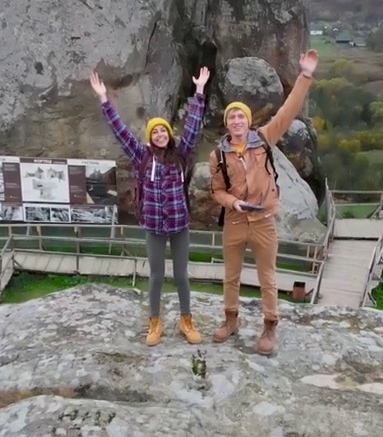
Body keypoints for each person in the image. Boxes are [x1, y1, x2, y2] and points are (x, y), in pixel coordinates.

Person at [208, 49, 319, 356]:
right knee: (230, 276)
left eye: (241, 115)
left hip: (264, 222)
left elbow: (288, 112)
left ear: (248, 120)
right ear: (227, 124)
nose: (237, 120)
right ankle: (230, 320)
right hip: (234, 221)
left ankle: (270, 325)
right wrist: (232, 203)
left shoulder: (264, 138)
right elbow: (216, 191)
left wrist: (305, 75)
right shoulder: (217, 155)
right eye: (232, 116)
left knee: (267, 277)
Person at [91, 66, 210, 346]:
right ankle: (154, 323)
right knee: (156, 277)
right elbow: (120, 133)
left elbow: (193, 127)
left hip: (180, 226)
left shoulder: (181, 155)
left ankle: (186, 320)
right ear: (150, 137)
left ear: (169, 135)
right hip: (154, 227)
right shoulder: (141, 157)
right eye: (155, 132)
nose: (159, 135)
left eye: (163, 131)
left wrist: (200, 92)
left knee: (181, 276)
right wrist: (104, 100)